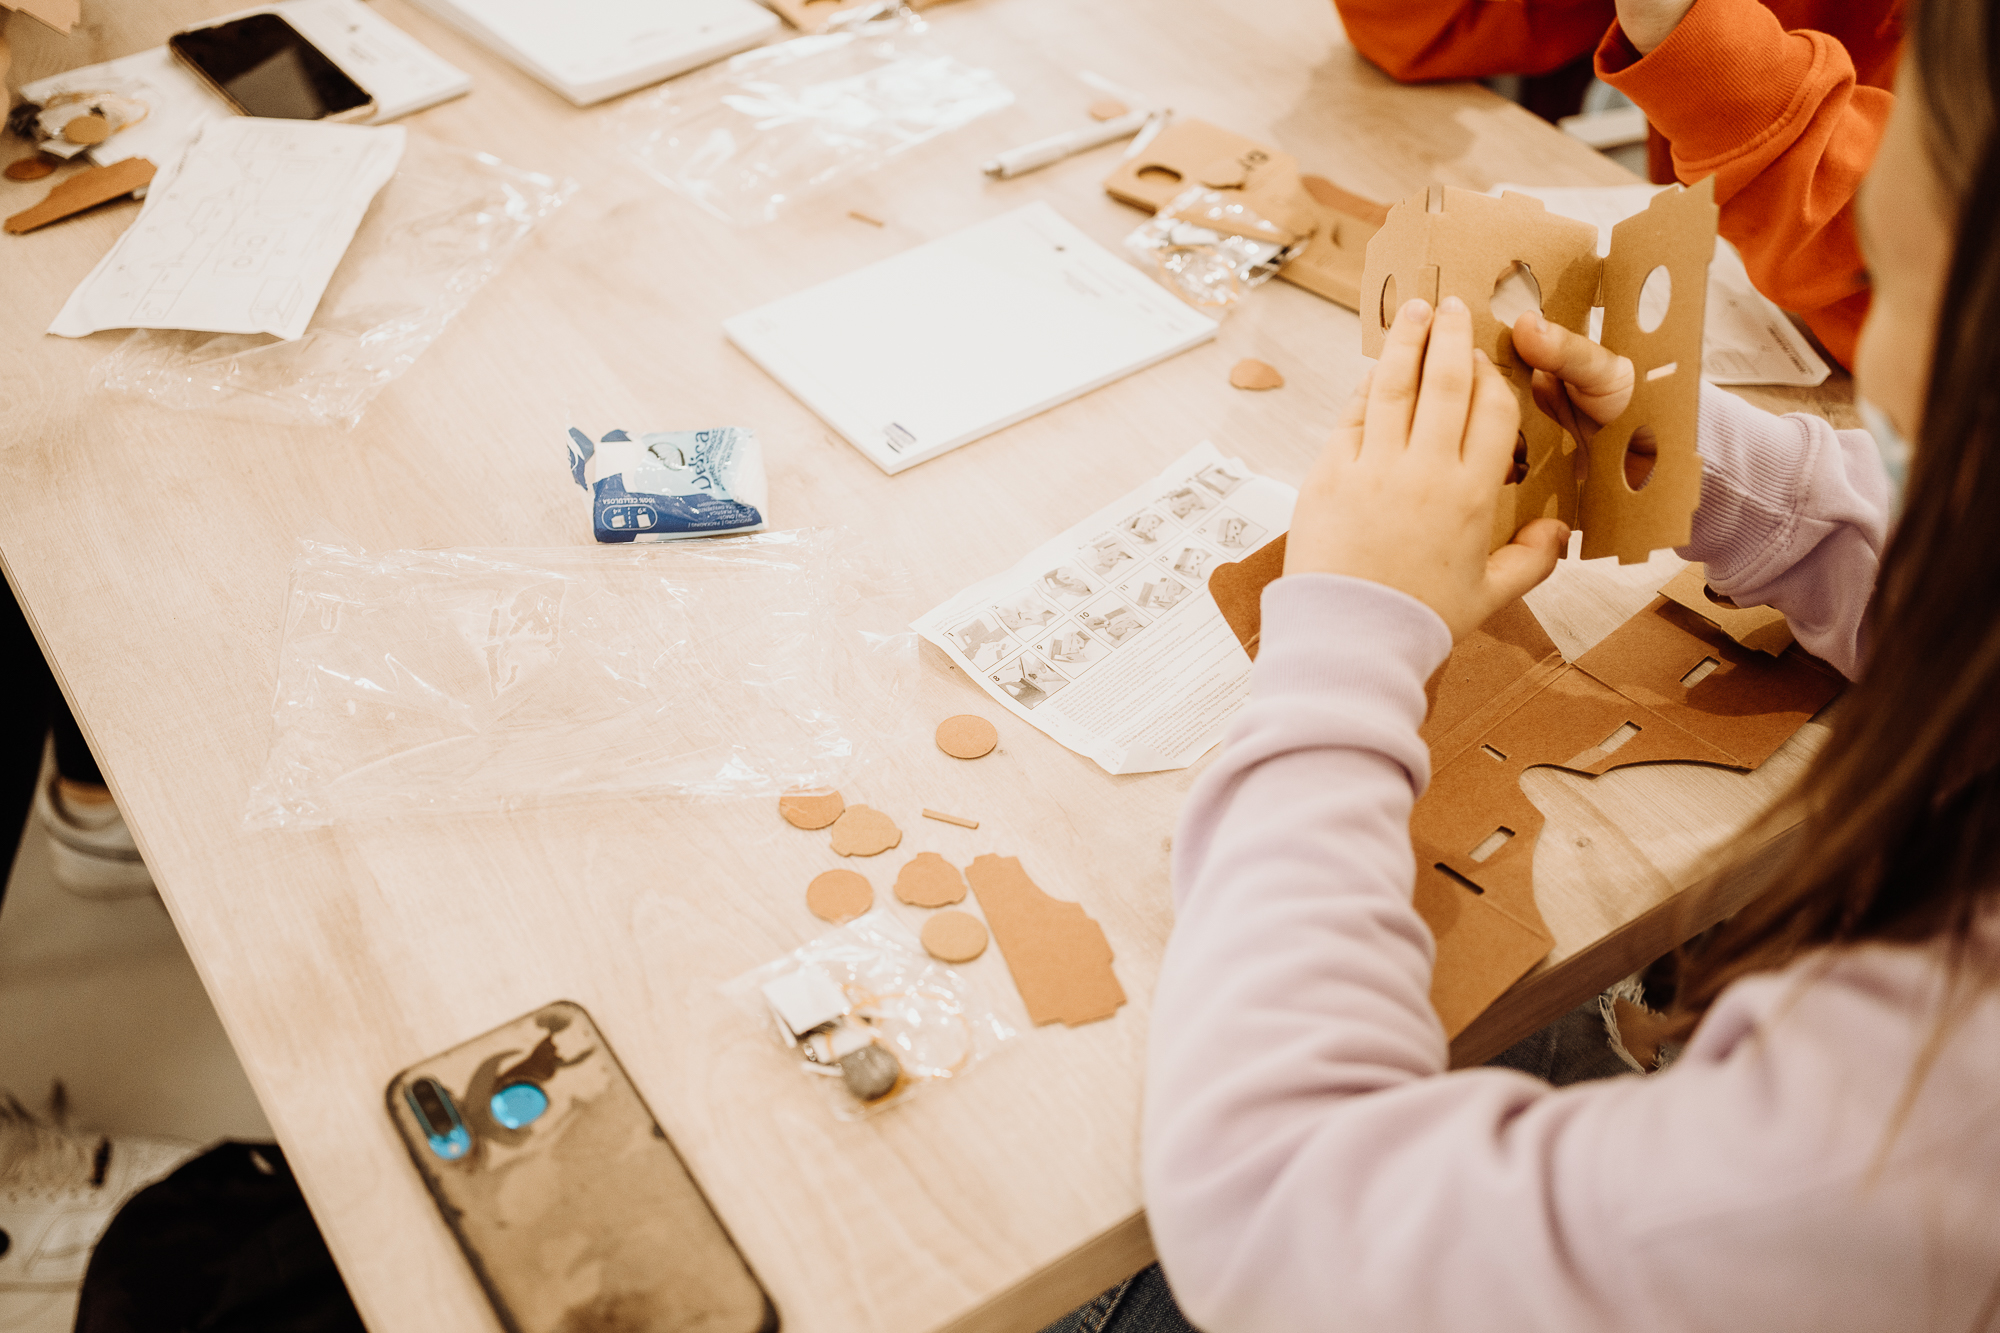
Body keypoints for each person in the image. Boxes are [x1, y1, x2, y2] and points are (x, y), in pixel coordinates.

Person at [1042, 0, 1994, 1327]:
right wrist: (1688, 459)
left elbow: (1277, 1219)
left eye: (1882, 262)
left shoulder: (1918, 1112)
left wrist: (1343, 640)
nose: (1864, 339)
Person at [1333, 0, 1900, 369]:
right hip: (1695, 321)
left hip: (1874, 423)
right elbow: (1424, 31)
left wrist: (1689, 33)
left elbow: (1919, 288)